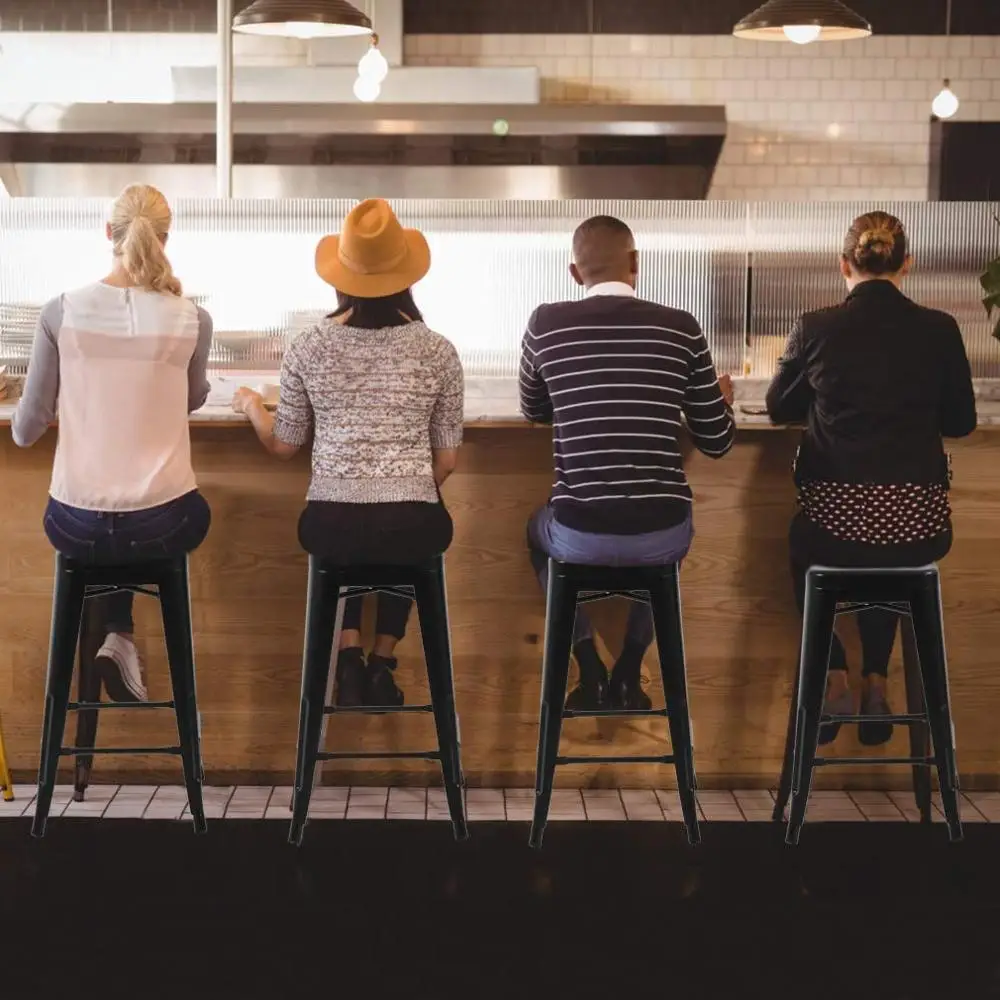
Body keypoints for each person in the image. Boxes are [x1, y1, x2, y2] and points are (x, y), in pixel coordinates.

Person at [233, 198, 463, 708]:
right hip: (414, 525)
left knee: (352, 530)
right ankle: (381, 660)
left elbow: (284, 445)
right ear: (406, 278)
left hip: (330, 524)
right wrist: (399, 487)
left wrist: (251, 404)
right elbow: (446, 462)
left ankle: (348, 654)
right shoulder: (439, 350)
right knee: (407, 528)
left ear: (341, 279)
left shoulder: (308, 347)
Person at [766, 211, 977, 746]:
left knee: (811, 542)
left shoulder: (815, 326)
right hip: (919, 528)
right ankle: (877, 683)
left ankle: (835, 673)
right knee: (891, 548)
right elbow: (961, 422)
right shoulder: (940, 328)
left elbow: (777, 407)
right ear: (908, 264)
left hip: (833, 529)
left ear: (844, 265)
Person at [520, 215, 736, 711]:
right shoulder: (681, 327)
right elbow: (718, 442)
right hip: (661, 533)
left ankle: (588, 664)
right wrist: (717, 401)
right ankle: (630, 669)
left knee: (536, 533)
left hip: (577, 534)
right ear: (636, 263)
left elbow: (534, 409)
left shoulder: (545, 323)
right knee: (664, 545)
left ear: (574, 273)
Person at [12, 184, 213, 703]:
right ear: (165, 237)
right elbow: (191, 399)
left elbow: (25, 431)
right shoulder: (193, 319)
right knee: (149, 514)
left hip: (73, 523)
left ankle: (119, 634)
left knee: (106, 525)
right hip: (164, 524)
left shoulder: (61, 312)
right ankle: (119, 636)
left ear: (109, 232)